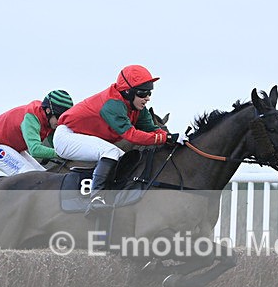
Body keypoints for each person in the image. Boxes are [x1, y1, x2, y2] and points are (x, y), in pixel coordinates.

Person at [54, 65, 185, 213]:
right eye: (143, 93)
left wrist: (176, 138)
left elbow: (154, 130)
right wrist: (165, 137)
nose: (147, 98)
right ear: (128, 92)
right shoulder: (113, 104)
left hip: (82, 136)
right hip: (67, 137)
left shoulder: (137, 108)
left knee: (123, 159)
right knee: (110, 152)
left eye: (149, 93)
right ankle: (96, 198)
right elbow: (132, 136)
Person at [0, 90, 74, 175]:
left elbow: (57, 145)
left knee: (43, 174)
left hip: (12, 148)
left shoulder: (49, 120)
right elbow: (35, 150)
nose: (60, 122)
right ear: (48, 110)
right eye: (59, 117)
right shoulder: (31, 117)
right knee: (28, 175)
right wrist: (60, 153)